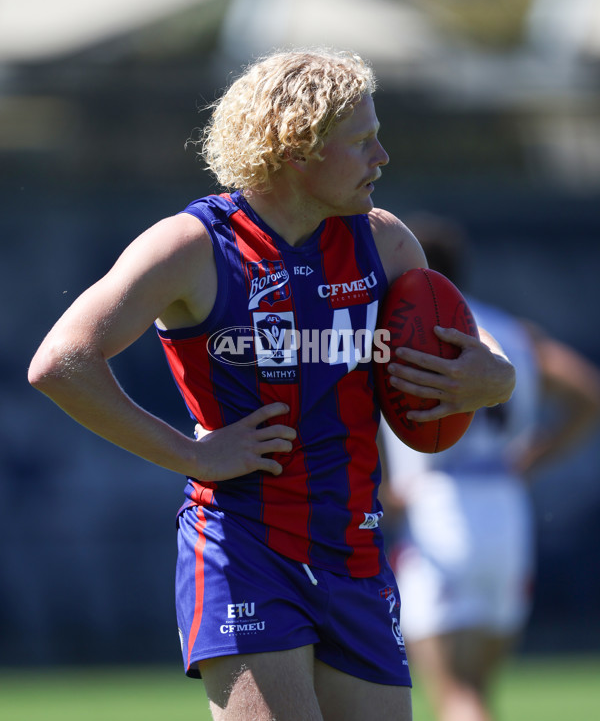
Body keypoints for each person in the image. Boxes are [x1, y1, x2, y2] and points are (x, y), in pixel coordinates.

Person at [28, 49, 516, 721]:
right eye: (362, 140)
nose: (383, 156)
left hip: (355, 552)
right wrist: (194, 456)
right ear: (298, 148)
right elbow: (61, 362)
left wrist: (495, 377)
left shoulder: (385, 242)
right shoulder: (191, 247)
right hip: (246, 546)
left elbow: (470, 349)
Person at [378, 214, 600, 721]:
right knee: (476, 690)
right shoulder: (511, 331)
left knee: (452, 695)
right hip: (505, 509)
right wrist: (532, 458)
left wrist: (387, 490)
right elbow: (587, 393)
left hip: (439, 508)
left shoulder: (400, 334)